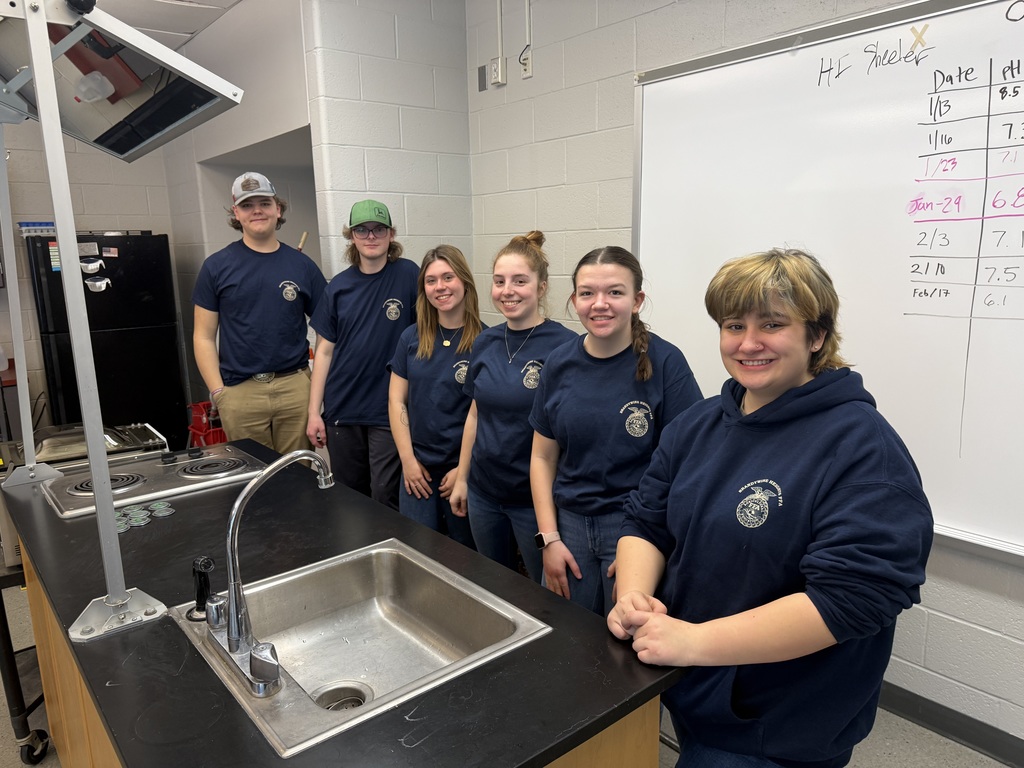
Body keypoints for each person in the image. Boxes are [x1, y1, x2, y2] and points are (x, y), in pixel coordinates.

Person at [607, 248, 933, 768]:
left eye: (773, 324)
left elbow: (850, 601)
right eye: (734, 324)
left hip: (778, 727)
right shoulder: (698, 426)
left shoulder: (863, 449)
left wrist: (693, 643)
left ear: (817, 336)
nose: (749, 342)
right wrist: (634, 598)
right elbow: (646, 520)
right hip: (690, 683)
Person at [529, 246, 702, 616]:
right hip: (568, 526)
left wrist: (643, 546)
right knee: (563, 636)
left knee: (623, 645)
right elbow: (543, 456)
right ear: (574, 299)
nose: (600, 304)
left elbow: (686, 468)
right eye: (587, 293)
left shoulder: (666, 363)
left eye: (615, 292)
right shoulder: (559, 363)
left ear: (637, 300)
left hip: (633, 525)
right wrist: (549, 539)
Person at [450, 231, 577, 581]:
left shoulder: (565, 348)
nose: (508, 290)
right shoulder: (485, 342)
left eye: (520, 281)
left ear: (541, 287)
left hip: (533, 502)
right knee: (493, 581)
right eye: (500, 281)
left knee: (543, 592)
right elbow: (475, 414)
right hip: (483, 493)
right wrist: (462, 478)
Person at [193, 171, 326, 454]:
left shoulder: (302, 266)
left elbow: (328, 331)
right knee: (253, 480)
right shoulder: (216, 267)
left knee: (298, 477)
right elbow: (203, 336)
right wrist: (219, 392)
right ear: (236, 213)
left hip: (295, 388)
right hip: (240, 392)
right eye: (247, 205)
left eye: (264, 203)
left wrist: (313, 388)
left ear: (277, 209)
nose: (257, 211)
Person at [306, 200, 418, 510]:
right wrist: (315, 412)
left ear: (391, 234)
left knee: (385, 496)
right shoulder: (338, 288)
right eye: (362, 230)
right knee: (349, 497)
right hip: (343, 408)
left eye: (378, 229)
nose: (371, 236)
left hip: (388, 410)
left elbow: (430, 329)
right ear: (351, 236)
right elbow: (324, 352)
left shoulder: (408, 275)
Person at [387, 245, 485, 547]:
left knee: (467, 557)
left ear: (465, 282)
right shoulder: (411, 338)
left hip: (464, 470)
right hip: (418, 468)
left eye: (448, 277)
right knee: (417, 552)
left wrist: (463, 472)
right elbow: (396, 400)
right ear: (423, 289)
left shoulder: (486, 341)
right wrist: (408, 461)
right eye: (431, 281)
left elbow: (483, 415)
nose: (440, 287)